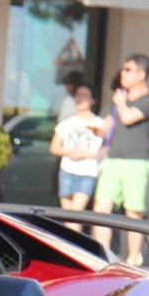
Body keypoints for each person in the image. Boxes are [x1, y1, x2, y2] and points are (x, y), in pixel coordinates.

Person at [92, 53, 149, 265]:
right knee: (101, 208)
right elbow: (105, 126)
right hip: (113, 160)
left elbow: (129, 117)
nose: (123, 74)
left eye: (128, 70)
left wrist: (121, 103)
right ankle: (102, 257)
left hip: (137, 162)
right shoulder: (117, 99)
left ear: (141, 74)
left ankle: (133, 259)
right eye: (123, 69)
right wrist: (97, 128)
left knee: (134, 212)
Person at [49, 82, 104, 221]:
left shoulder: (101, 124)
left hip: (88, 173)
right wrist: (69, 152)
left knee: (76, 214)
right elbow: (54, 147)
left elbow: (105, 151)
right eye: (77, 95)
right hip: (67, 172)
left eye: (84, 95)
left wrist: (84, 154)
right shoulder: (66, 123)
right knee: (67, 216)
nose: (80, 98)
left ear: (92, 100)